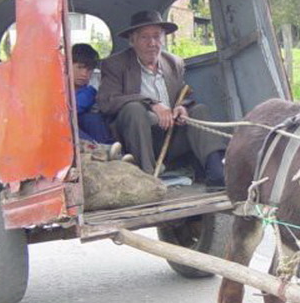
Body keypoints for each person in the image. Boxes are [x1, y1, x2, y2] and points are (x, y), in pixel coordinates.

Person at [97, 10, 226, 188]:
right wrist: (151, 103)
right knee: (134, 109)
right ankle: (149, 179)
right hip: (137, 141)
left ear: (163, 39)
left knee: (199, 110)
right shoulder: (115, 64)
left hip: (172, 138)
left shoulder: (174, 63)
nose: (152, 43)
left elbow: (184, 96)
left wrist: (181, 108)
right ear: (132, 41)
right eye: (144, 37)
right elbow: (107, 102)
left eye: (157, 37)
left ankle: (216, 174)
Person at [72, 43, 114, 144]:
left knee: (92, 119)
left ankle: (103, 148)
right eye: (80, 67)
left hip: (86, 125)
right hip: (63, 125)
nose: (84, 74)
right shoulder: (56, 86)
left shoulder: (91, 89)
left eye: (89, 70)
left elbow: (76, 107)